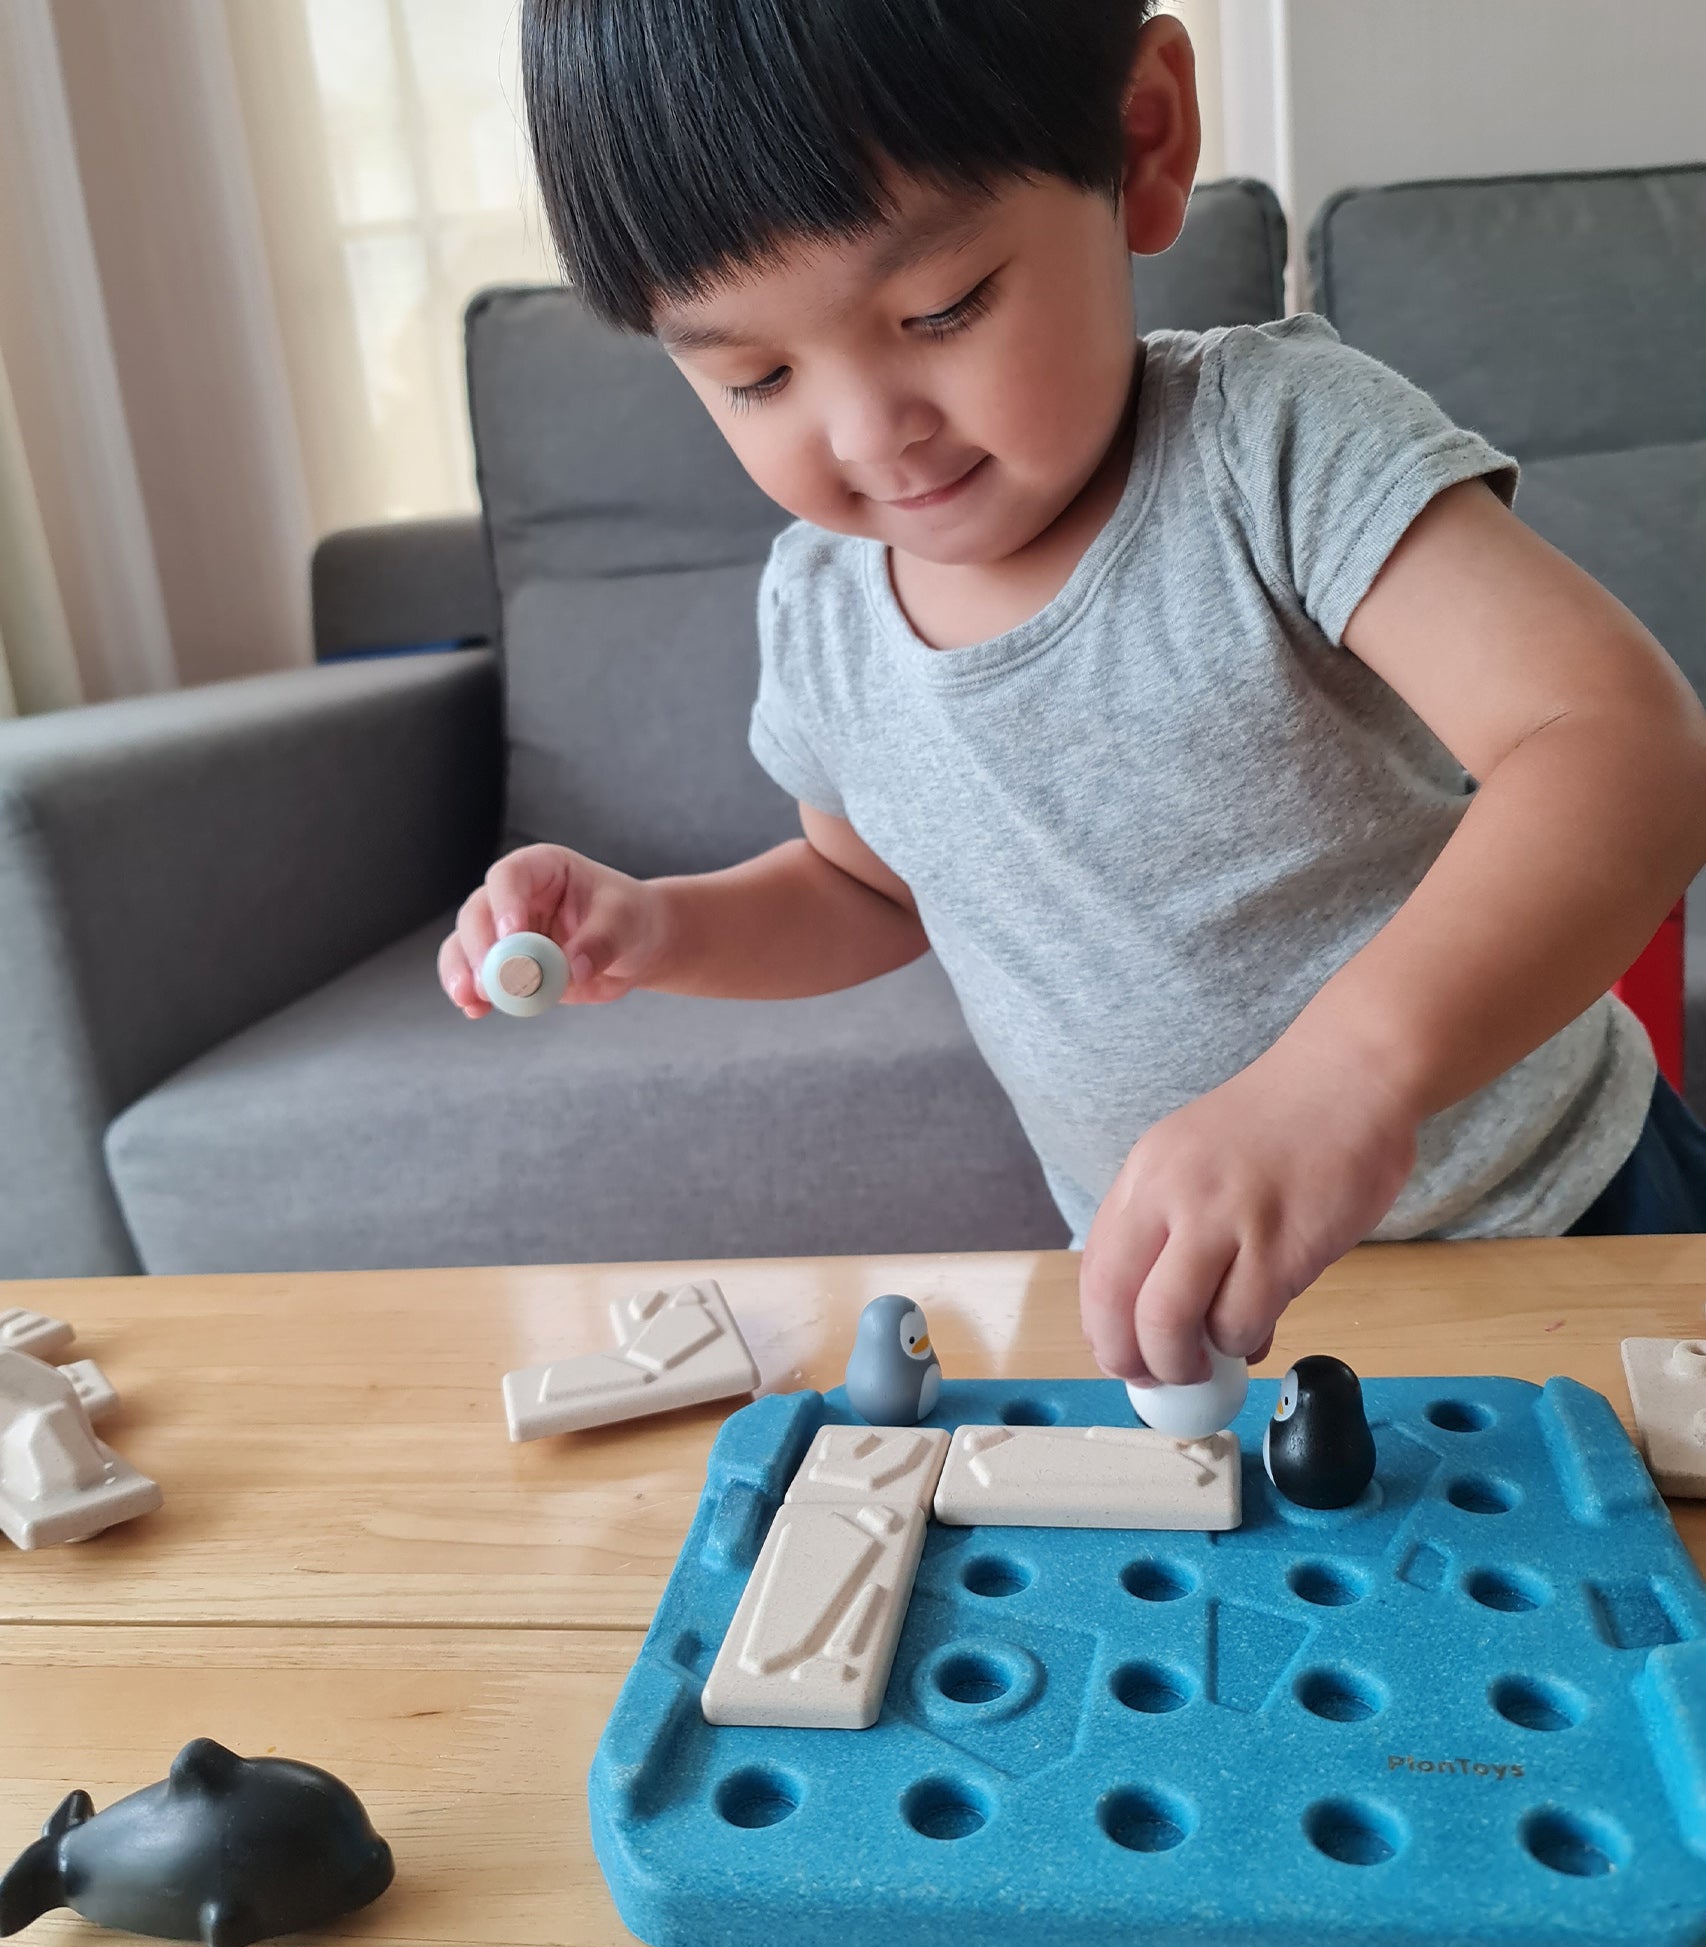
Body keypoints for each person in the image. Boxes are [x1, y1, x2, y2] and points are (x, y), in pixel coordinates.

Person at [440, 0, 1706, 1386]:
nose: (871, 432)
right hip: (1209, 1312)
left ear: (1141, 138)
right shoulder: (818, 610)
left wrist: (1342, 1078)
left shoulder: (1271, 449)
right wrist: (660, 926)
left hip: (1560, 1221)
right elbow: (866, 891)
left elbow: (1616, 741)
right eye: (755, 376)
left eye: (940, 308)